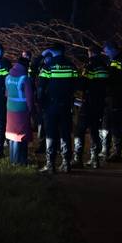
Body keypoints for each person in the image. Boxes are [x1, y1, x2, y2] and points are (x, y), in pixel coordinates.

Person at [38, 44, 78, 173]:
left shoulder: (48, 66)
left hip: (51, 105)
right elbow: (76, 85)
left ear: (53, 52)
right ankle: (66, 163)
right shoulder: (71, 66)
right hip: (66, 105)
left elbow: (40, 87)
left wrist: (41, 103)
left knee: (50, 133)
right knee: (65, 133)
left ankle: (50, 164)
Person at [74, 47, 111, 168]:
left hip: (89, 102)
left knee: (80, 130)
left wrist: (78, 80)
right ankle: (95, 159)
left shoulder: (89, 66)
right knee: (95, 130)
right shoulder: (105, 67)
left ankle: (77, 159)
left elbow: (82, 85)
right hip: (100, 103)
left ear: (90, 53)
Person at [102, 41, 122, 161]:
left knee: (115, 124)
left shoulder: (121, 61)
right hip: (112, 96)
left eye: (107, 52)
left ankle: (116, 152)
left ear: (112, 49)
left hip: (117, 96)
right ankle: (107, 150)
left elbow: (116, 78)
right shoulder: (116, 60)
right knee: (108, 123)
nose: (106, 54)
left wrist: (106, 78)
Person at [4, 57, 34, 165]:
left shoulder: (8, 77)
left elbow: (6, 94)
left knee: (12, 135)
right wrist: (31, 110)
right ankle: (19, 161)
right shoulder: (25, 79)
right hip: (21, 110)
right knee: (20, 135)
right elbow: (29, 98)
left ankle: (13, 159)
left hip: (10, 108)